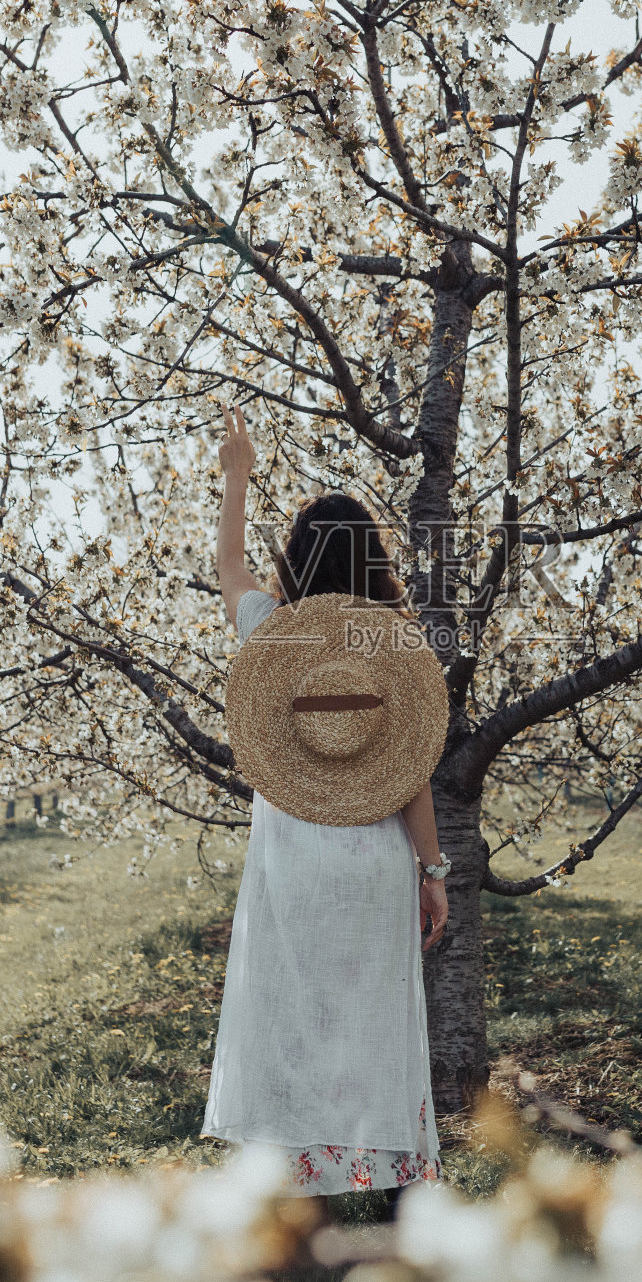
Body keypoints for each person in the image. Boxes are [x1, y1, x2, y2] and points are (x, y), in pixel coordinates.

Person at [200, 403, 450, 1212]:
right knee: (374, 1011)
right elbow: (412, 774)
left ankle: (297, 1187)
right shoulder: (393, 643)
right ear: (373, 560)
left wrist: (238, 474)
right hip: (373, 857)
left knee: (293, 1019)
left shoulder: (269, 634)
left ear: (298, 561)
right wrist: (432, 871)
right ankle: (397, 1187)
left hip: (290, 861)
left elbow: (229, 563)